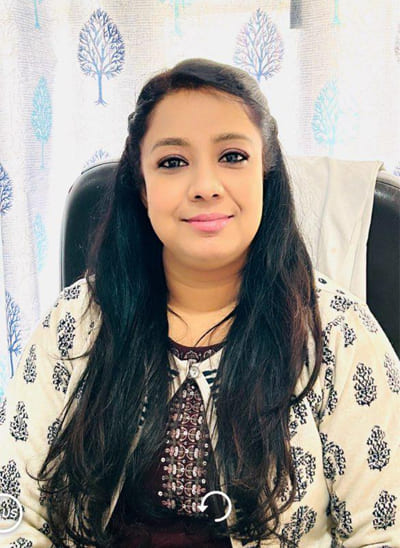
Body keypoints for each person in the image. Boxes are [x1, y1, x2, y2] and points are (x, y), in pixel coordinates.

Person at [0, 58, 399, 548]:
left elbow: (383, 533)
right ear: (142, 187)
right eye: (173, 162)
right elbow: (13, 512)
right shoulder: (77, 320)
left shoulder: (338, 332)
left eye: (232, 156)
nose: (206, 186)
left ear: (266, 173)